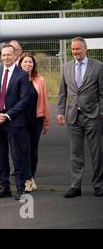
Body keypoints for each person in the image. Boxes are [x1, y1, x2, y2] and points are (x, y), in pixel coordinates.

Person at [57, 37, 103, 198]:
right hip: (73, 117)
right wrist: (60, 112)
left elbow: (102, 92)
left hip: (93, 116)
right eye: (73, 49)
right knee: (75, 153)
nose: (75, 52)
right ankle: (75, 186)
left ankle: (99, 185)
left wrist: (101, 111)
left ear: (86, 49)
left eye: (78, 49)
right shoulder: (65, 67)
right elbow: (62, 93)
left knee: (96, 153)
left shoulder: (98, 67)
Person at [0, 44, 30, 200]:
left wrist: (8, 114)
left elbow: (24, 99)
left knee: (17, 155)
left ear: (15, 56)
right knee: (1, 155)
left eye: (9, 55)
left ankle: (20, 187)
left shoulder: (22, 75)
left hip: (14, 121)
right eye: (3, 55)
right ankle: (4, 187)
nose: (6, 58)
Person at [18, 52, 50, 192]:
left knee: (33, 151)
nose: (27, 64)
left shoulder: (40, 80)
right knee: (24, 150)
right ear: (20, 64)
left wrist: (46, 122)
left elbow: (45, 101)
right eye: (25, 62)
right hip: (20, 121)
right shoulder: (16, 79)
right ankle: (27, 179)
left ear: (33, 65)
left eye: (30, 62)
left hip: (36, 120)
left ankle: (31, 177)